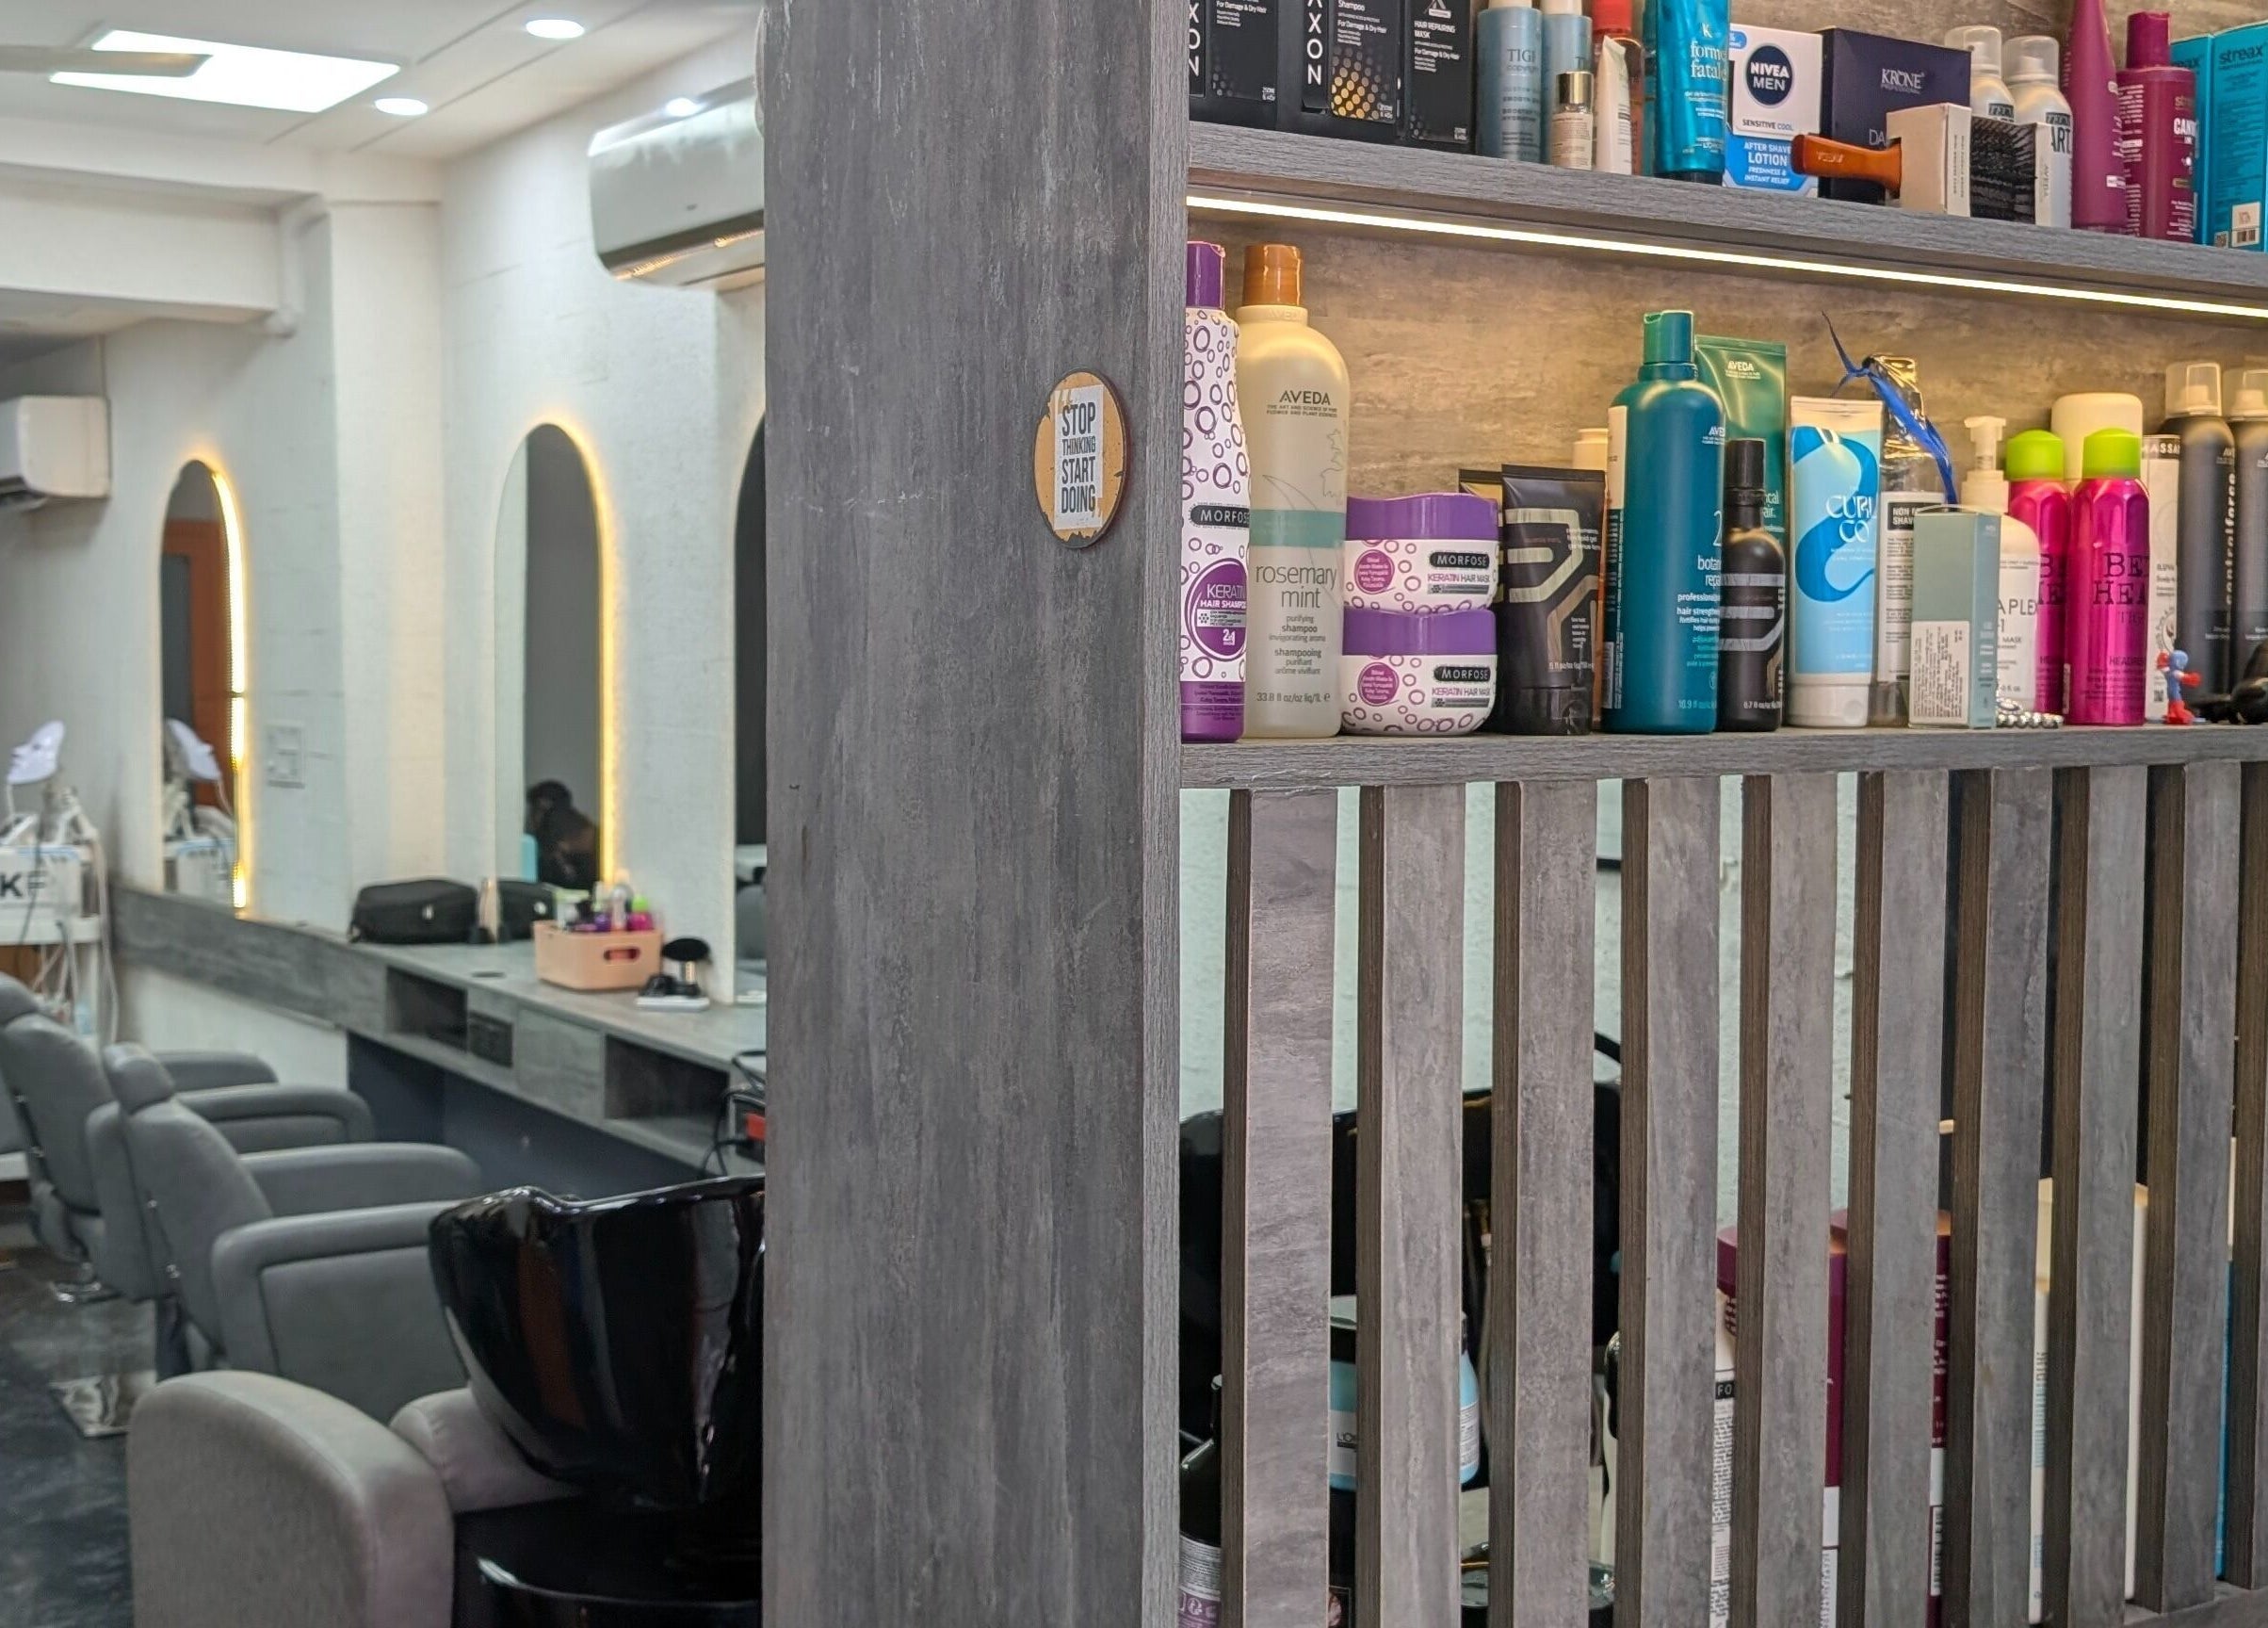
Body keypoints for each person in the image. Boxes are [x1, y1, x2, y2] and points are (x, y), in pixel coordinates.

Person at [526, 781, 600, 892]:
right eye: (536, 810)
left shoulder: (584, 833)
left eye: (545, 810)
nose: (537, 817)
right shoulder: (533, 846)